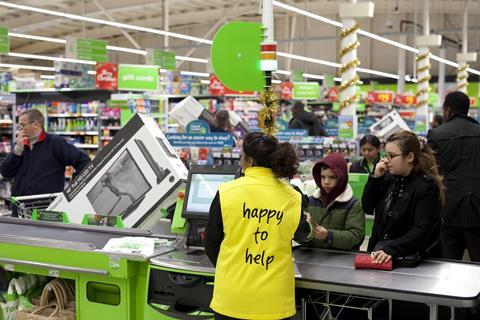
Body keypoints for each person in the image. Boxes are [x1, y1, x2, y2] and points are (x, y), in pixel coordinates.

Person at [205, 131, 312, 320]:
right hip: (274, 301)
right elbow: (302, 235)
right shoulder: (293, 196)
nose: (240, 161)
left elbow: (211, 243)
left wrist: (229, 269)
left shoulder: (226, 192)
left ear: (250, 161)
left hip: (231, 298)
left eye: (242, 156)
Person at [362, 130, 443, 265]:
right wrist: (375, 178)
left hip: (413, 263)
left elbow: (422, 230)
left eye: (391, 156)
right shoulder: (388, 178)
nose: (386, 161)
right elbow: (367, 207)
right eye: (385, 155)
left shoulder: (426, 187)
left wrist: (390, 250)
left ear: (410, 157)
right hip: (381, 255)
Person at [0, 109, 90, 217]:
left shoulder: (55, 143)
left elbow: (83, 161)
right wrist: (17, 150)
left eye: (22, 125)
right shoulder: (19, 145)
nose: (20, 129)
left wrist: (74, 186)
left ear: (36, 124)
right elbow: (5, 172)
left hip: (46, 208)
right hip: (19, 208)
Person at [427, 91, 480, 262]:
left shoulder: (436, 134)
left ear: (448, 110)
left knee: (449, 263)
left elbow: (431, 173)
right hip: (477, 208)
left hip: (447, 207)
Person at [307, 153, 365, 250]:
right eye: (323, 177)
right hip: (312, 258)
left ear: (342, 177)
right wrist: (303, 227)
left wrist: (329, 236)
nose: (326, 182)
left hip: (341, 259)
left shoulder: (353, 204)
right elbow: (300, 237)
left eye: (332, 177)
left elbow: (356, 237)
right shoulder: (311, 201)